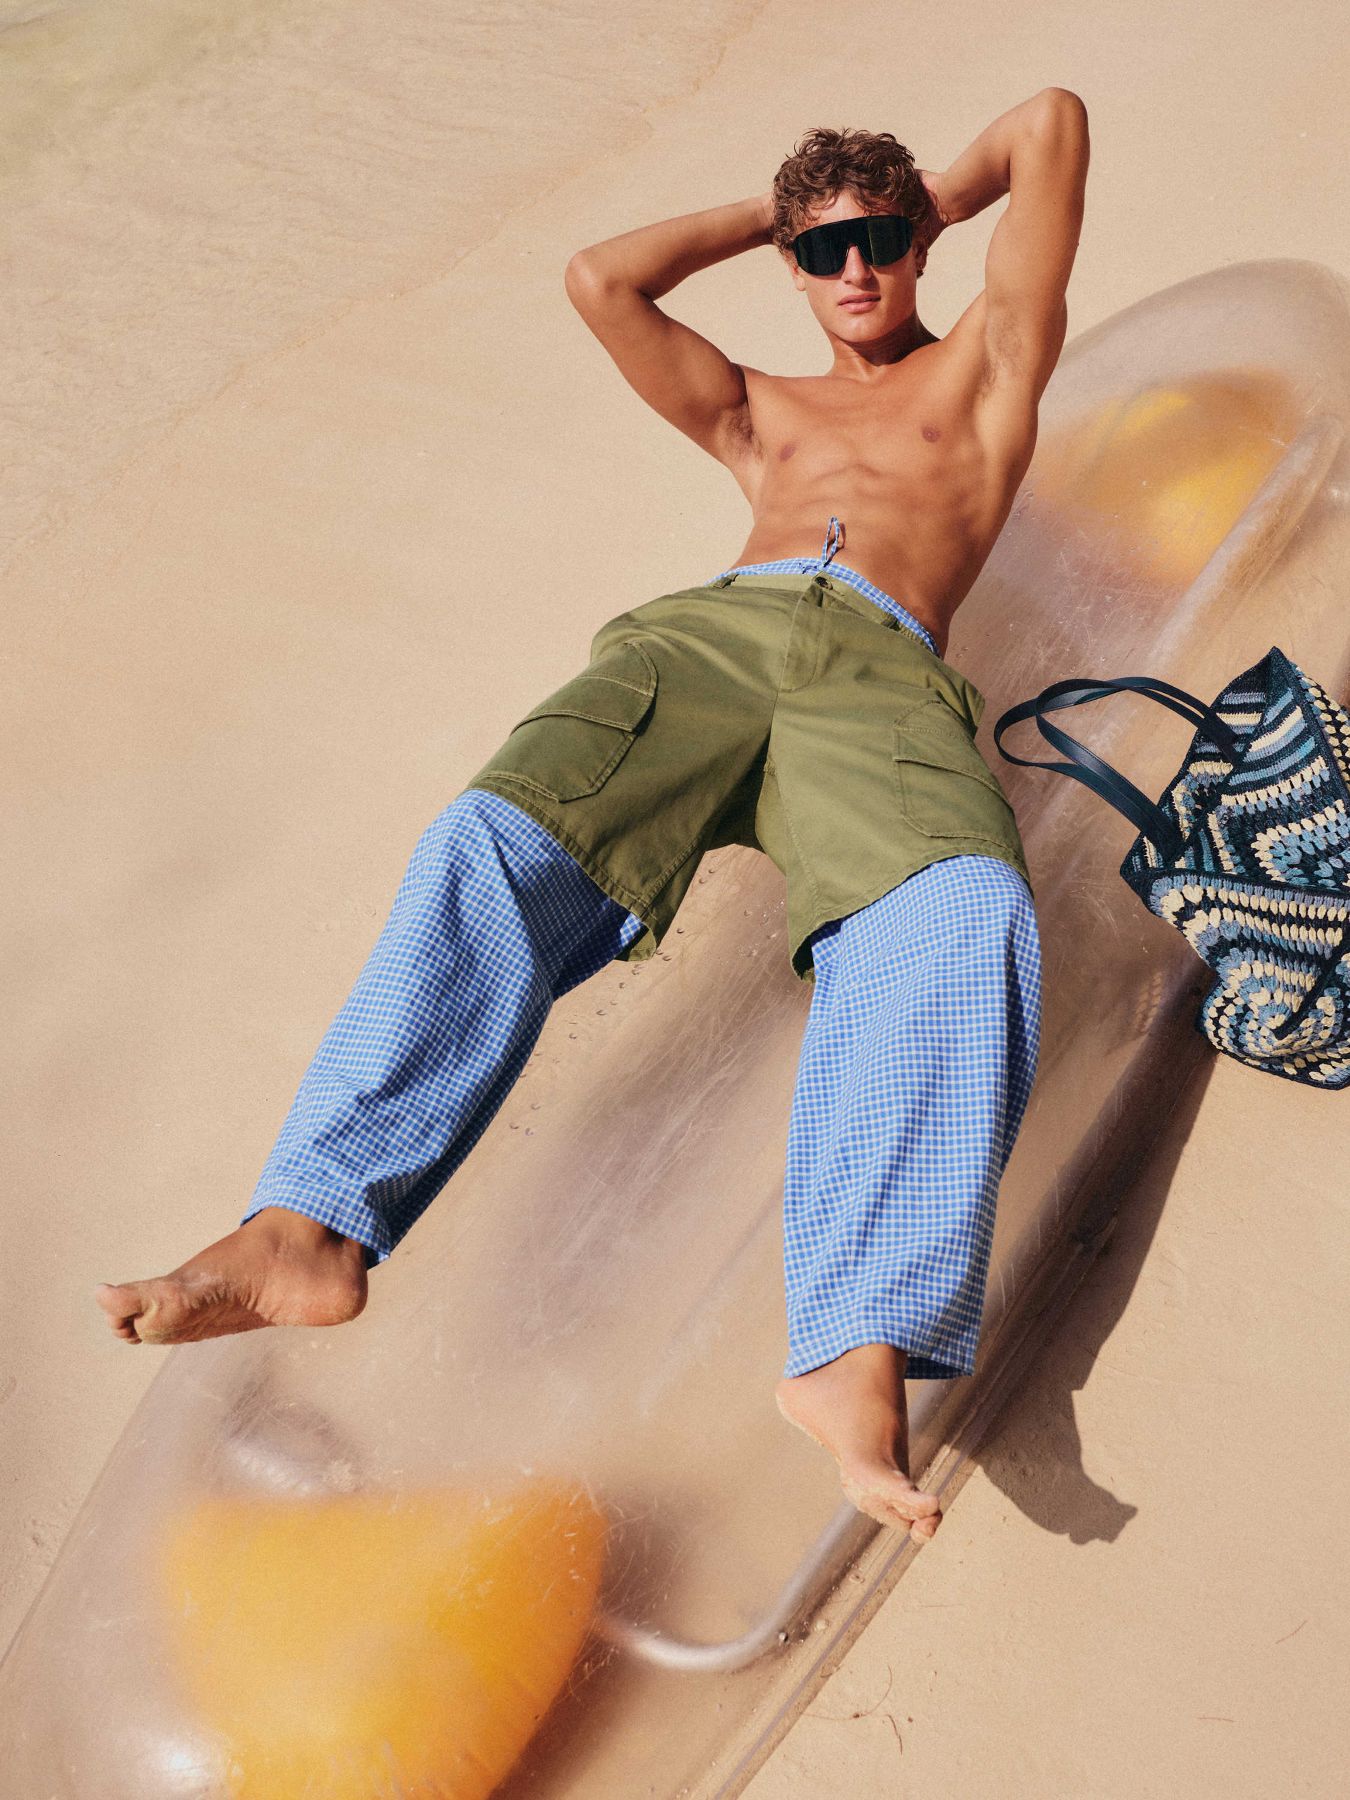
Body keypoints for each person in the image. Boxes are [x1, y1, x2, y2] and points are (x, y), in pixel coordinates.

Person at [96, 89, 1090, 1545]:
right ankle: (306, 1228)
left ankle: (853, 1346)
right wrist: (784, 214)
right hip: (709, 643)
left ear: (923, 243)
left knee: (959, 914)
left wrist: (908, 199)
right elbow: (601, 280)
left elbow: (1050, 124)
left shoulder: (987, 369)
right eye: (824, 254)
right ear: (790, 267)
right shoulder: (758, 413)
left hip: (880, 668)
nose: (856, 270)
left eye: (880, 242)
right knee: (494, 843)